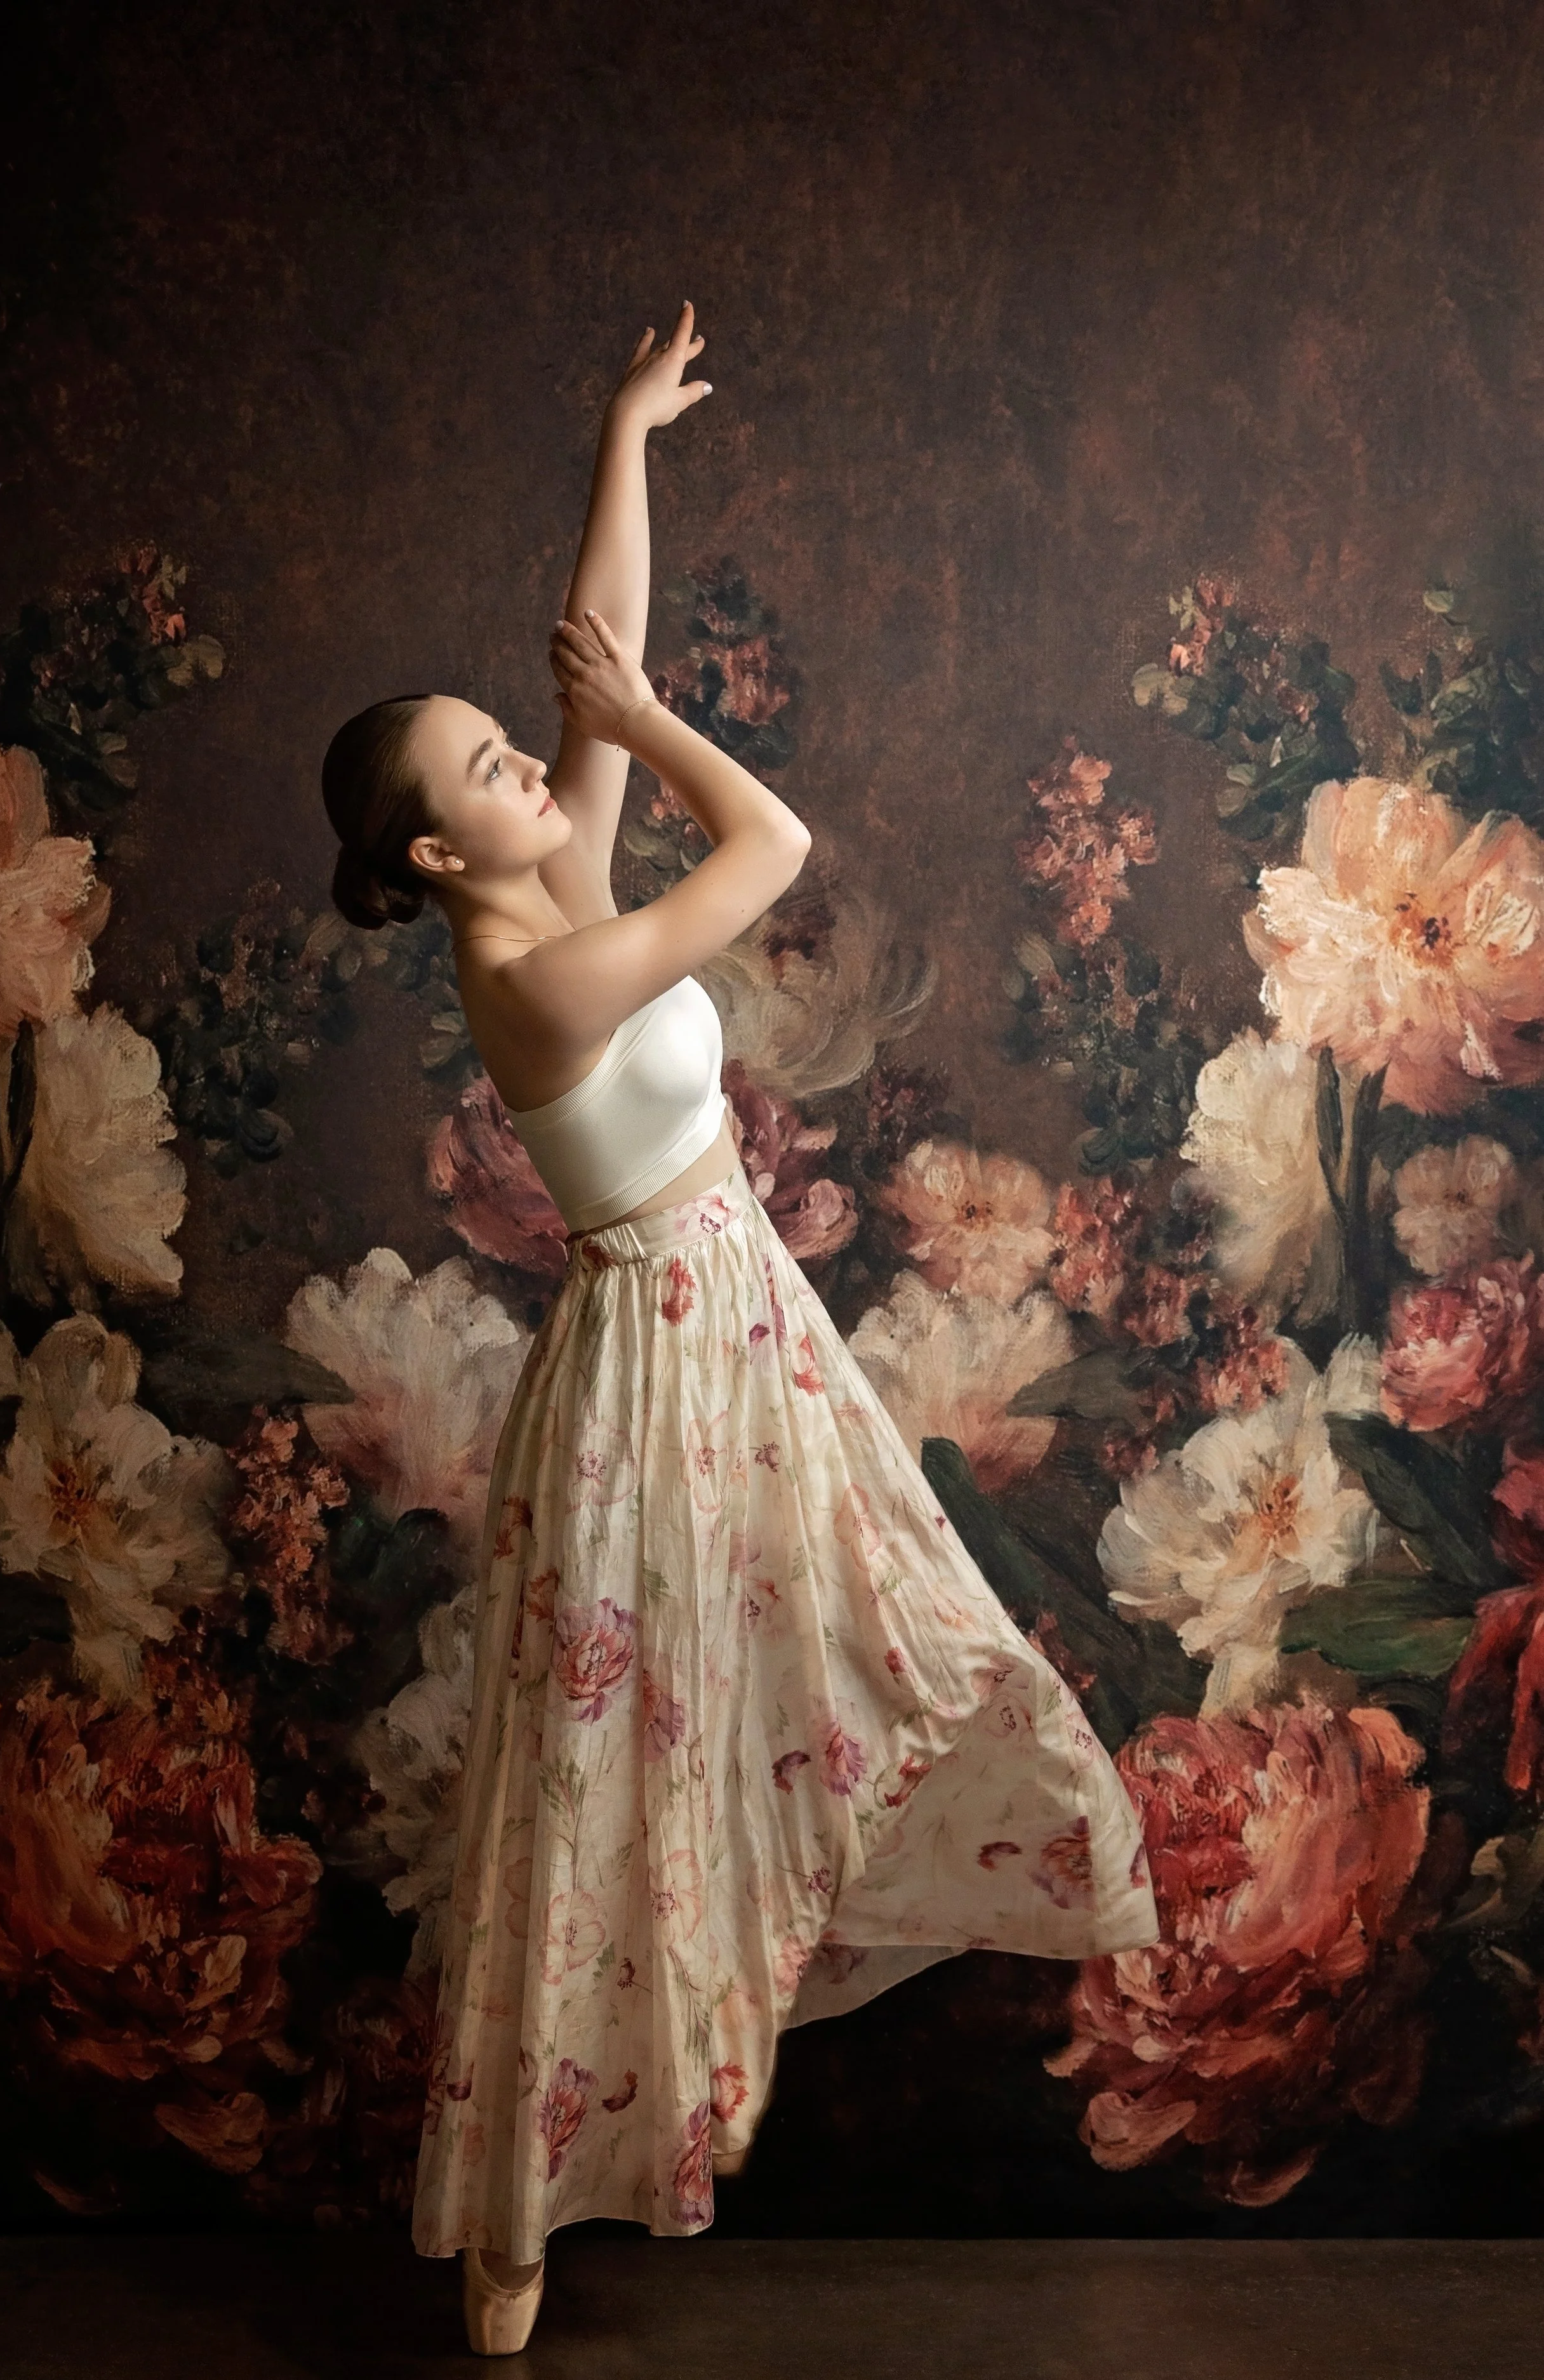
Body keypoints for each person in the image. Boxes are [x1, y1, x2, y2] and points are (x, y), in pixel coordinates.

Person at [319, 305, 1159, 2356]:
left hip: (742, 1332)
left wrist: (625, 435)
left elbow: (585, 654)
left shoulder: (556, 886)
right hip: (648, 1379)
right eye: (497, 771)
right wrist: (658, 720)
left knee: (877, 1648)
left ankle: (823, 1943)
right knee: (608, 1764)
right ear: (435, 851)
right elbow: (770, 845)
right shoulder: (541, 977)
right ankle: (520, 2215)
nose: (541, 767)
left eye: (525, 750)